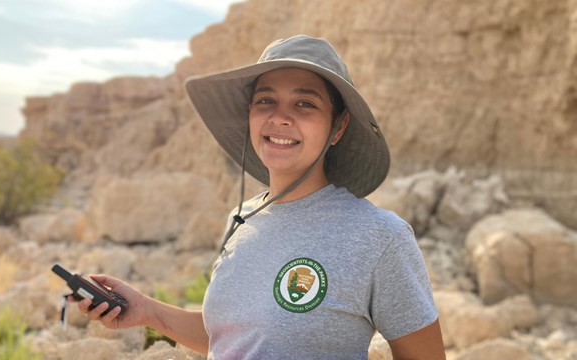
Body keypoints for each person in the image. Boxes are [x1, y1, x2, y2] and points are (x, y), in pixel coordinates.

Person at [77, 35, 446, 359]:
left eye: (305, 104)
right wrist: (144, 311)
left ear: (339, 127)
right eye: (265, 100)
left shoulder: (380, 239)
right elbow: (233, 336)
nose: (280, 117)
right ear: (250, 115)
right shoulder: (243, 218)